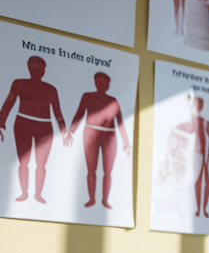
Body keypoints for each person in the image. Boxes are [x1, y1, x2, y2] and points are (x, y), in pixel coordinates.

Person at [0, 56, 70, 204]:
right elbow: (8, 104)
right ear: (28, 67)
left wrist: (64, 130)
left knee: (41, 164)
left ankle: (38, 194)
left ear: (44, 69)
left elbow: (58, 112)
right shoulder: (19, 84)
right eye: (33, 65)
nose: (36, 68)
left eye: (39, 66)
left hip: (44, 128)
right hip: (22, 125)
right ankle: (24, 193)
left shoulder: (51, 89)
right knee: (23, 162)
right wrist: (1, 123)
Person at [68, 72, 131, 209]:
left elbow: (120, 122)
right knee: (91, 169)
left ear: (108, 84)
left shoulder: (113, 101)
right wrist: (71, 131)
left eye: (104, 81)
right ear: (94, 82)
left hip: (110, 135)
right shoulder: (87, 96)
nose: (101, 84)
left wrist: (126, 142)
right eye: (98, 81)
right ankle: (91, 198)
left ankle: (105, 200)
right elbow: (79, 114)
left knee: (108, 171)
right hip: (91, 132)